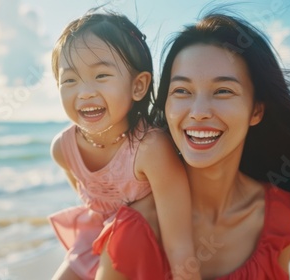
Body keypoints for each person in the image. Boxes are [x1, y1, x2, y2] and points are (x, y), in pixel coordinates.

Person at [93, 11, 290, 280]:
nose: (198, 111)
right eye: (181, 90)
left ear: (256, 111)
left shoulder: (280, 215)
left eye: (223, 91)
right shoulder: (135, 232)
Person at [48, 10, 200, 280]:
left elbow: (179, 246)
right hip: (98, 239)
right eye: (69, 79)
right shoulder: (63, 150)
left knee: (125, 230)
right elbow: (94, 206)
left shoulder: (150, 149)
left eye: (101, 75)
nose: (84, 92)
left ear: (138, 86)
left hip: (146, 248)